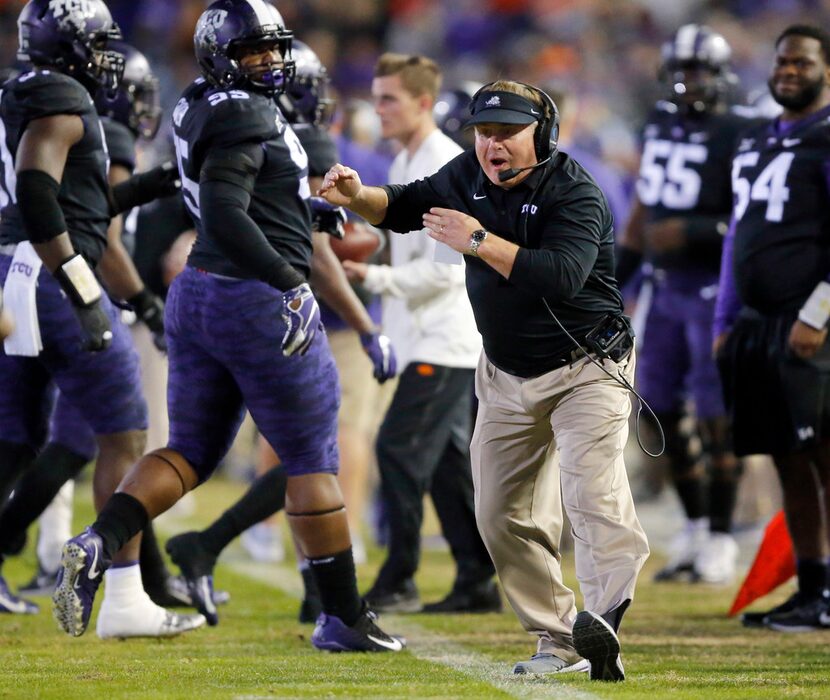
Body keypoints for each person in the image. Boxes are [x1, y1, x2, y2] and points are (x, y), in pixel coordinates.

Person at [54, 0, 403, 653]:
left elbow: (188, 184)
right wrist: (287, 281)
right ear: (223, 56)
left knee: (188, 453)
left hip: (199, 295)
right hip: (253, 297)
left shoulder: (199, 101)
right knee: (311, 458)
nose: (270, 63)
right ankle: (343, 617)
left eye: (275, 50)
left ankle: (98, 540)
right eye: (254, 53)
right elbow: (223, 208)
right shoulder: (248, 114)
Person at [319, 79, 649, 680]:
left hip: (587, 367)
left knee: (590, 493)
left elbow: (561, 278)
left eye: (507, 133)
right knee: (497, 512)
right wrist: (355, 194)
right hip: (505, 372)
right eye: (484, 132)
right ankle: (558, 639)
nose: (492, 146)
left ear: (541, 134)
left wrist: (477, 238)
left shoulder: (577, 193)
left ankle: (604, 619)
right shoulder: (467, 172)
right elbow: (399, 206)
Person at [165, 37, 397, 626]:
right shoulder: (274, 132)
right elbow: (320, 253)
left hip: (228, 295)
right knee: (317, 452)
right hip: (289, 308)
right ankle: (325, 596)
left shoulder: (208, 116)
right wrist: (363, 322)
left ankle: (238, 556)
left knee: (246, 449)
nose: (314, 101)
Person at [0, 0, 198, 638]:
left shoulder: (25, 88)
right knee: (125, 434)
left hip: (18, 275)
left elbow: (79, 204)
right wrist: (85, 292)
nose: (107, 55)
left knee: (17, 437)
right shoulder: (58, 95)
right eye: (98, 41)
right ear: (67, 43)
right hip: (49, 278)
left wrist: (145, 187)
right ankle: (122, 600)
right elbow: (37, 193)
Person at [343, 52, 498, 614]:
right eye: (377, 96)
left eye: (389, 98)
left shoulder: (443, 163)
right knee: (447, 465)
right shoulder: (408, 156)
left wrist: (371, 274)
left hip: (447, 337)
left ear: (423, 103)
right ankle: (478, 579)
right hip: (423, 336)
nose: (378, 108)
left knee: (400, 450)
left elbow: (446, 267)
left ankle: (400, 576)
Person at [616, 24, 750, 585]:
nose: (687, 82)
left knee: (718, 418)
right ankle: (695, 526)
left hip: (714, 288)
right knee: (659, 413)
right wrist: (617, 277)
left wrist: (694, 230)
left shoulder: (739, 130)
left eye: (697, 71)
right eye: (681, 70)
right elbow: (646, 205)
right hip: (664, 288)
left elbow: (751, 215)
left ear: (719, 77)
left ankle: (721, 534)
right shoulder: (660, 123)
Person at [714, 24, 830, 632]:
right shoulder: (756, 139)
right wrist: (725, 318)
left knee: (824, 457)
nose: (788, 70)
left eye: (802, 62)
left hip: (811, 323)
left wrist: (818, 312)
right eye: (782, 60)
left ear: (826, 70)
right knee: (787, 458)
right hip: (758, 325)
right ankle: (813, 586)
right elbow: (739, 236)